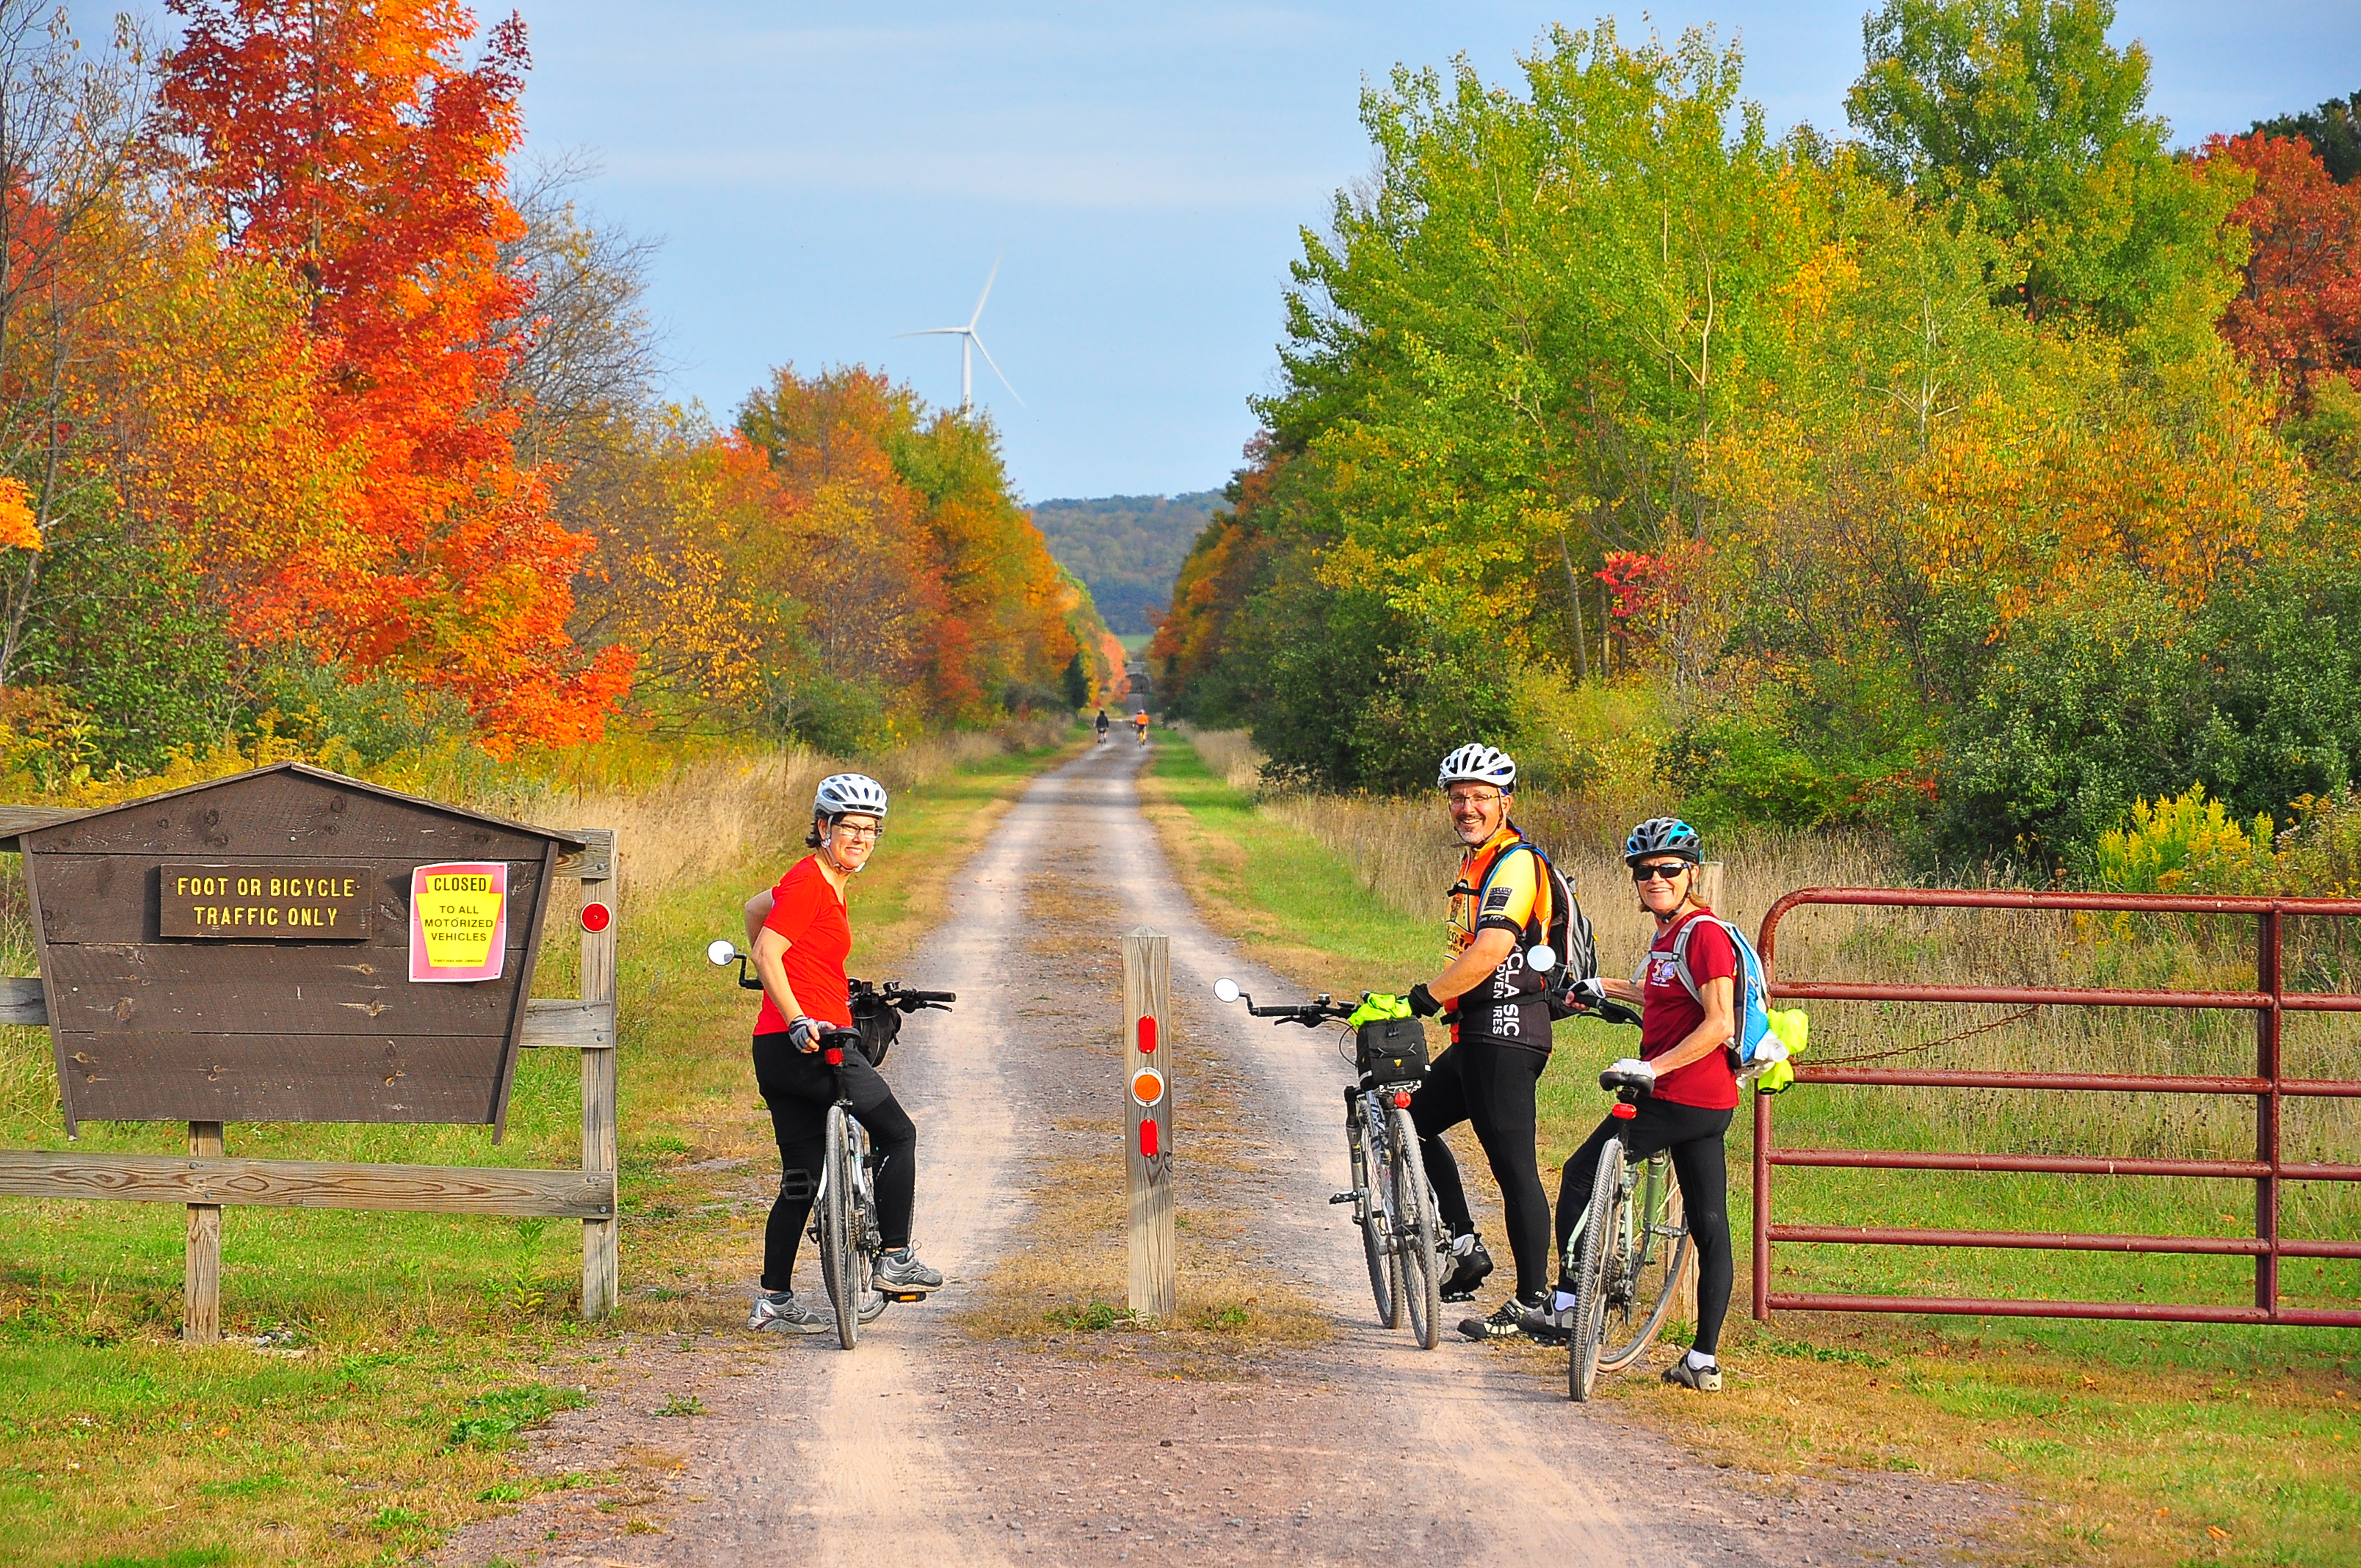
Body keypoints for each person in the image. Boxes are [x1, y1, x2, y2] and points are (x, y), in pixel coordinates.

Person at [1524, 816, 1736, 1391]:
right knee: (1709, 1221)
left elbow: (1720, 1023)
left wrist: (1654, 1066)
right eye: (1644, 872)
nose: (1656, 878)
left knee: (1580, 1171)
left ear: (1691, 873)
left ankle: (1567, 1302)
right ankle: (1702, 1361)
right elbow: (1666, 995)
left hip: (1678, 1093)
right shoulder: (1671, 935)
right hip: (1704, 1102)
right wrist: (1607, 987)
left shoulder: (1707, 933)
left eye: (1669, 869)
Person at [741, 772, 943, 1333]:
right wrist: (799, 1011)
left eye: (871, 830)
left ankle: (774, 1299)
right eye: (849, 827)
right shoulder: (812, 884)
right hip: (814, 1043)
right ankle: (895, 1259)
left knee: (801, 1177)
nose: (861, 838)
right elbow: (766, 949)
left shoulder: (812, 881)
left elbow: (755, 909)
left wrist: (808, 976)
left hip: (773, 1050)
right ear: (823, 827)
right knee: (898, 1133)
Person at [1394, 744, 1564, 1342]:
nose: (1467, 807)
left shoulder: (1514, 863)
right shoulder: (1476, 863)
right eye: (1458, 798)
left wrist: (1423, 998)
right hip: (1478, 1033)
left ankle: (1535, 1302)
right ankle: (1464, 1246)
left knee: (1513, 1167)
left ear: (1505, 802)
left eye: (1480, 797)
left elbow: (1491, 950)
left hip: (1509, 1030)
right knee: (1408, 1119)